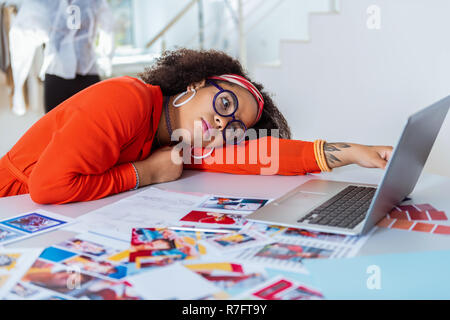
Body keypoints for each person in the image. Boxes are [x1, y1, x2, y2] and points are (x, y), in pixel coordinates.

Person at [0, 49, 393, 205]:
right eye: (224, 103)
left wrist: (353, 153)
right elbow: (47, 187)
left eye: (234, 126)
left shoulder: (177, 143)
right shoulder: (130, 99)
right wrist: (145, 173)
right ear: (195, 84)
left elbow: (262, 155)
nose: (224, 122)